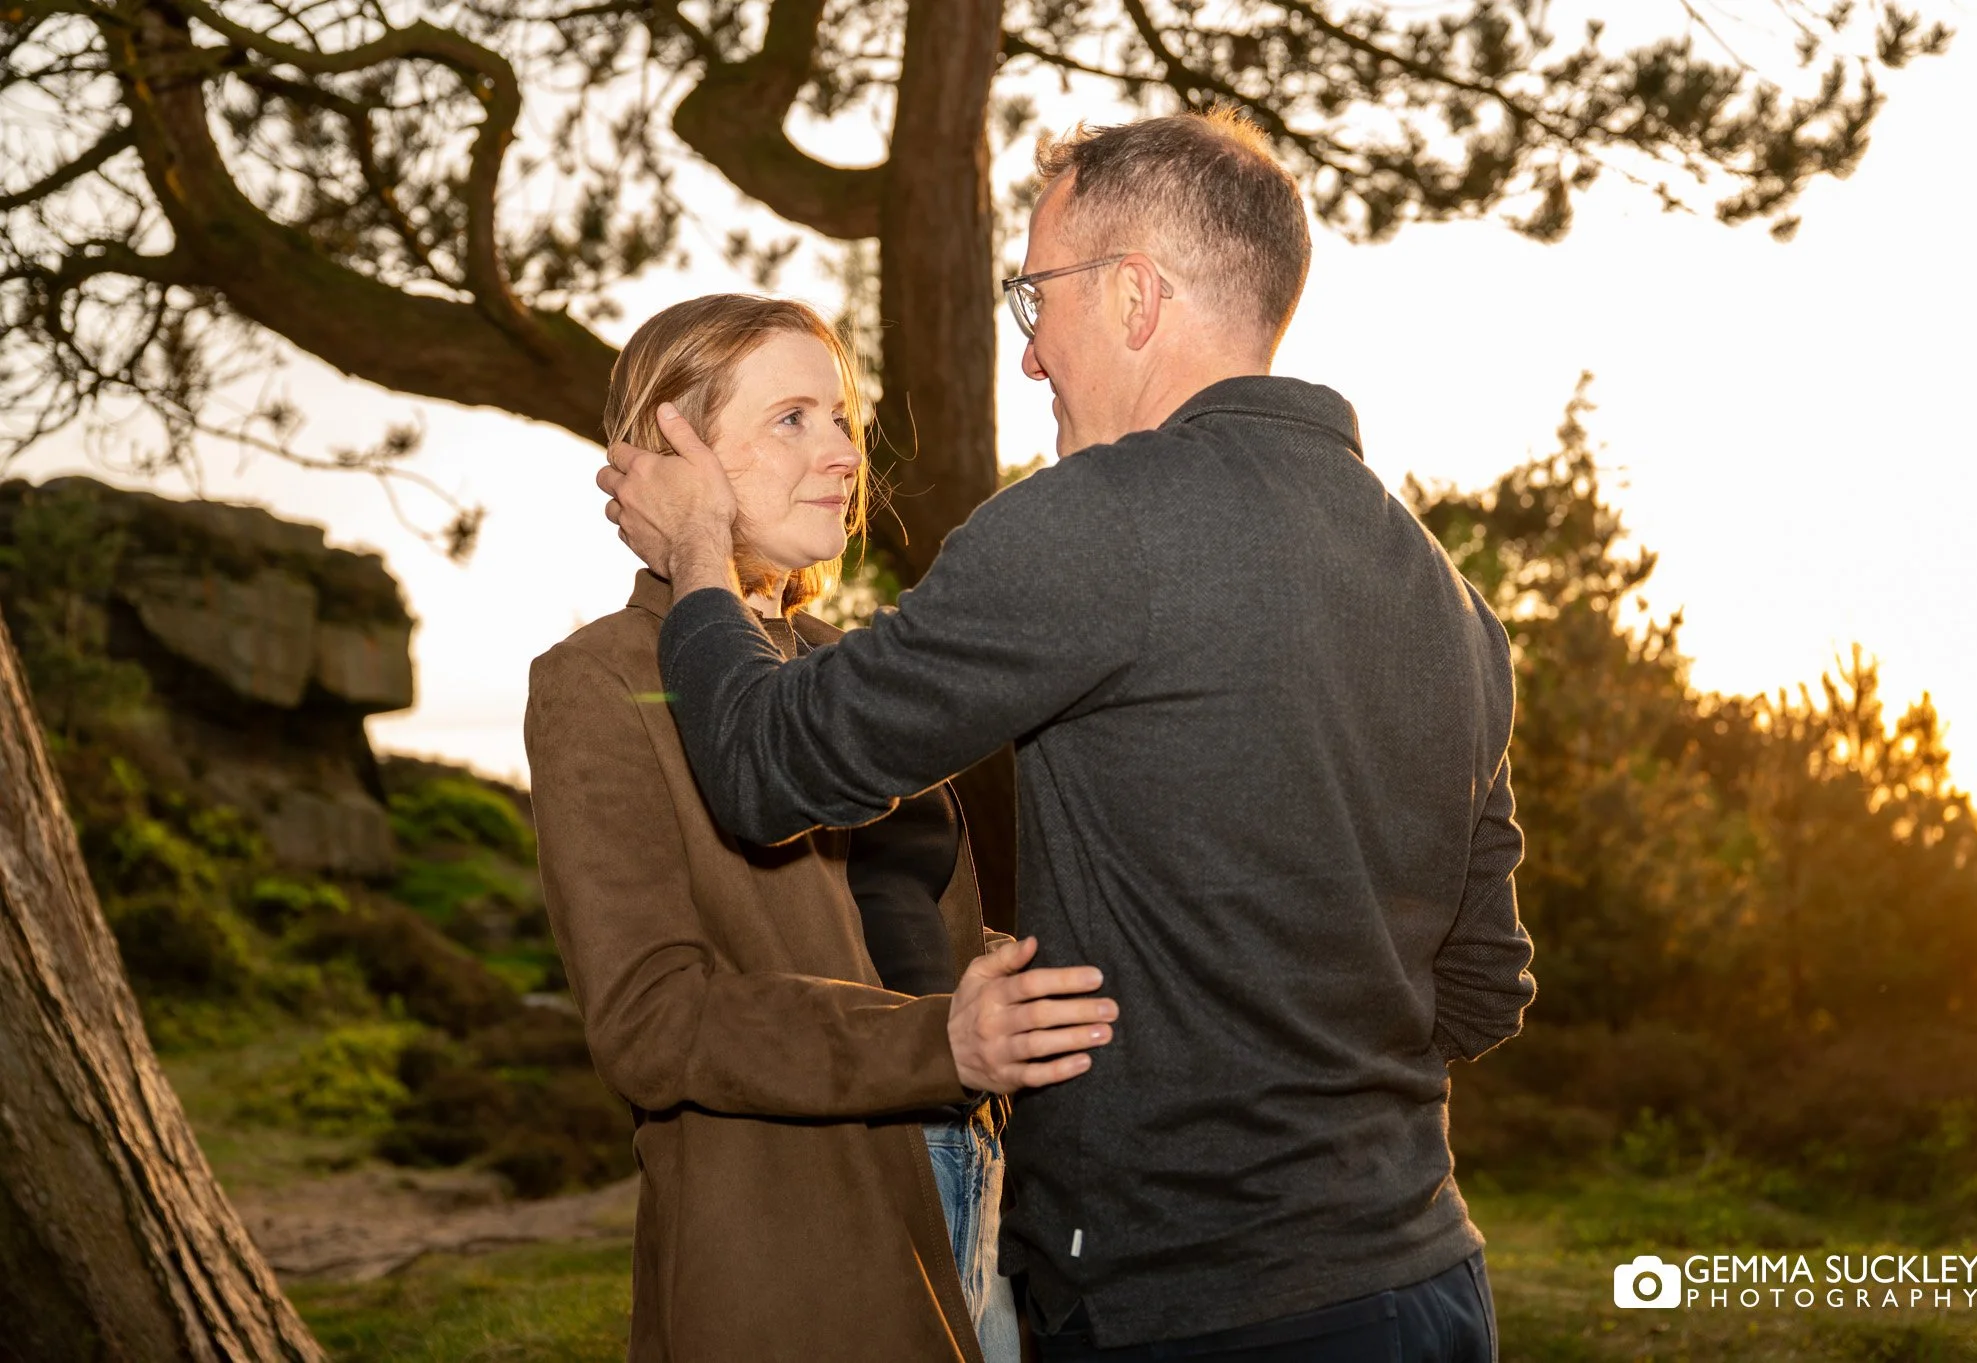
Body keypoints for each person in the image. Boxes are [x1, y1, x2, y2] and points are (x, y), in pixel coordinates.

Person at [598, 111, 1537, 1362]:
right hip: (1424, 1285)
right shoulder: (1452, 604)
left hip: (1192, 1309)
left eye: (1033, 298)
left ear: (1135, 297)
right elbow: (1479, 989)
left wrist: (697, 548)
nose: (1030, 356)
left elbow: (768, 767)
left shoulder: (1095, 522)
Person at [526, 294, 1116, 1362]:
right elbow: (652, 1021)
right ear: (675, 452)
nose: (843, 453)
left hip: (980, 1196)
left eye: (840, 416)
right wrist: (934, 1040)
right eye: (790, 418)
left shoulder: (847, 666)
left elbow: (890, 930)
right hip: (798, 1244)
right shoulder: (597, 681)